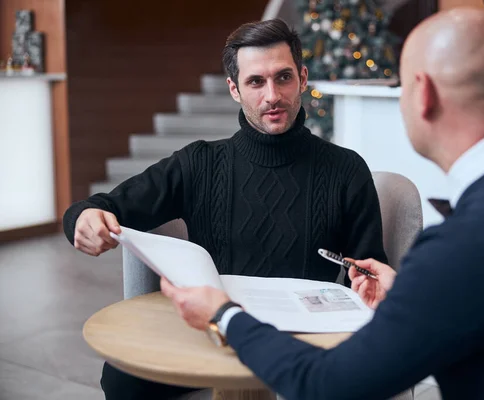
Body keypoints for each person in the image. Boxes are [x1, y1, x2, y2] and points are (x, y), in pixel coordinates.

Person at [161, 8, 484, 400]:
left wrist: (225, 316)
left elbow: (326, 386)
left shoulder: (458, 250)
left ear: (422, 93)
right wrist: (408, 292)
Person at [63, 19, 388, 400]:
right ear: (234, 89)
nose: (272, 95)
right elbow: (103, 206)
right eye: (255, 82)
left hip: (304, 341)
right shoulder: (199, 163)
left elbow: (369, 273)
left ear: (302, 78)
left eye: (283, 77)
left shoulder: (346, 170)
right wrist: (82, 219)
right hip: (213, 329)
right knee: (121, 379)